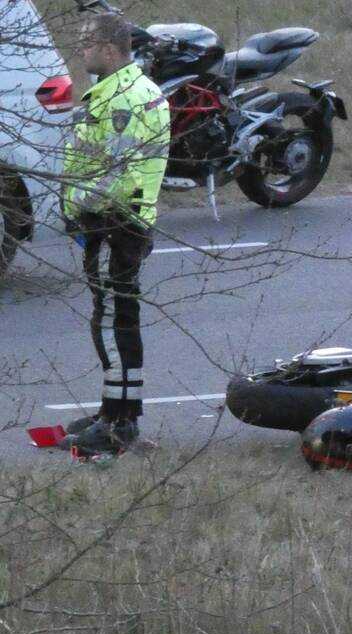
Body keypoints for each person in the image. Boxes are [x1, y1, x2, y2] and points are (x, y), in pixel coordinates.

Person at [60, 12, 170, 455]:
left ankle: (119, 423)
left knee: (111, 323)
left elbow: (118, 177)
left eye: (86, 44)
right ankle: (115, 411)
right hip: (117, 222)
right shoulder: (120, 92)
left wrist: (75, 207)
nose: (80, 51)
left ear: (109, 50)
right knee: (116, 319)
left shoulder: (122, 100)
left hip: (113, 223)